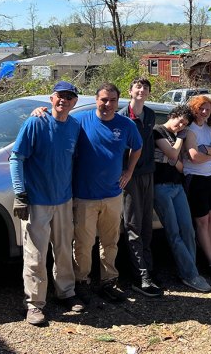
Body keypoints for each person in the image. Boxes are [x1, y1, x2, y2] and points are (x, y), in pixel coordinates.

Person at [10, 81, 85, 326]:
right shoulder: (36, 122)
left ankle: (66, 293)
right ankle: (34, 304)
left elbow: (72, 163)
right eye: (60, 96)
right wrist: (20, 194)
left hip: (63, 200)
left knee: (64, 250)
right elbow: (16, 158)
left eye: (70, 97)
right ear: (51, 99)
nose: (64, 100)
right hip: (37, 202)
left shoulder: (74, 126)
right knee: (35, 256)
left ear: (75, 102)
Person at [71, 83, 141, 303]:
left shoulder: (126, 125)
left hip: (112, 195)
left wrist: (129, 171)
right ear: (96, 99)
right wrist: (41, 113)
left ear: (118, 101)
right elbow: (58, 124)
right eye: (104, 99)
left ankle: (108, 282)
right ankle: (81, 282)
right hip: (84, 195)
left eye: (112, 100)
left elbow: (137, 147)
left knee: (110, 242)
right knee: (83, 243)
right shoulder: (81, 121)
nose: (108, 104)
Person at [153, 105, 211, 292]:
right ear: (173, 115)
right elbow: (172, 154)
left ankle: (190, 271)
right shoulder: (158, 130)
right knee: (174, 232)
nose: (181, 125)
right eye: (180, 121)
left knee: (188, 230)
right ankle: (190, 274)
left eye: (185, 124)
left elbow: (180, 166)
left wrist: (172, 156)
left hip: (177, 186)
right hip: (160, 187)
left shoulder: (175, 136)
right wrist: (178, 141)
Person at [119, 78, 163, 297]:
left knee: (146, 225)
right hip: (129, 177)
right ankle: (140, 276)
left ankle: (149, 269)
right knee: (133, 225)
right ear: (130, 91)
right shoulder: (121, 117)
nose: (142, 90)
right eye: (138, 87)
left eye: (146, 88)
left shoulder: (151, 115)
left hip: (148, 174)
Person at [183, 95, 211, 281]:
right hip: (196, 179)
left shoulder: (210, 127)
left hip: (210, 177)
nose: (204, 112)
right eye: (201, 108)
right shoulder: (190, 130)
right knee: (201, 222)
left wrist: (208, 151)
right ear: (194, 109)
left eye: (207, 109)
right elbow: (193, 156)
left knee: (210, 219)